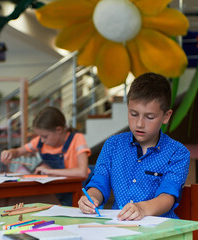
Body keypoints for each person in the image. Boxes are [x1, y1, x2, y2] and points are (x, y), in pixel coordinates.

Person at [78, 72, 190, 220]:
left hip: (159, 229)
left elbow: (167, 197)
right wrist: (91, 198)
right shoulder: (113, 145)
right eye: (133, 114)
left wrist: (142, 209)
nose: (139, 124)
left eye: (149, 117)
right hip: (118, 226)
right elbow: (99, 183)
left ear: (166, 116)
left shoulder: (177, 153)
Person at [0, 106, 91, 179]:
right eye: (40, 136)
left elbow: (82, 172)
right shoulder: (40, 141)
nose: (42, 140)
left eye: (45, 136)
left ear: (58, 130)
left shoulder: (77, 139)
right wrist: (10, 153)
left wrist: (50, 171)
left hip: (76, 189)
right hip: (55, 188)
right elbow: (18, 152)